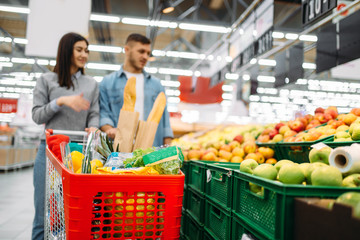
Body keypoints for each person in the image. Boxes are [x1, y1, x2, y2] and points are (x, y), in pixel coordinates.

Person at [31, 32, 99, 240]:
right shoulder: (46, 80)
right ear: (66, 50)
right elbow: (36, 115)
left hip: (79, 152)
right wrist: (60, 102)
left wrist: (94, 127)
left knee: (76, 213)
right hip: (50, 152)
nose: (84, 55)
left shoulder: (91, 84)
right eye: (79, 49)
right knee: (44, 213)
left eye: (86, 50)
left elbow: (94, 113)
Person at [99, 33, 173, 146]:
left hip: (150, 148)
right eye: (141, 51)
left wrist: (168, 147)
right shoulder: (107, 83)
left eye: (148, 53)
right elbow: (103, 113)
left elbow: (165, 120)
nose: (145, 57)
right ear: (127, 50)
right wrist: (110, 130)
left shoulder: (156, 85)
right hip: (119, 148)